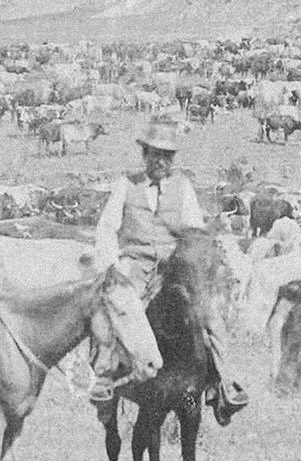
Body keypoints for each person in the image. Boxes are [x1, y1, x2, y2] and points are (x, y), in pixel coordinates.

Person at [89, 118, 248, 421]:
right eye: (155, 154)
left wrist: (195, 265)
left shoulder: (183, 187)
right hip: (134, 264)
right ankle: (105, 376)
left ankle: (223, 383)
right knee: (116, 307)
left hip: (174, 266)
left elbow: (194, 232)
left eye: (167, 155)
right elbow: (107, 229)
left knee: (207, 313)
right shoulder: (126, 185)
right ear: (145, 154)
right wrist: (112, 266)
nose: (161, 161)